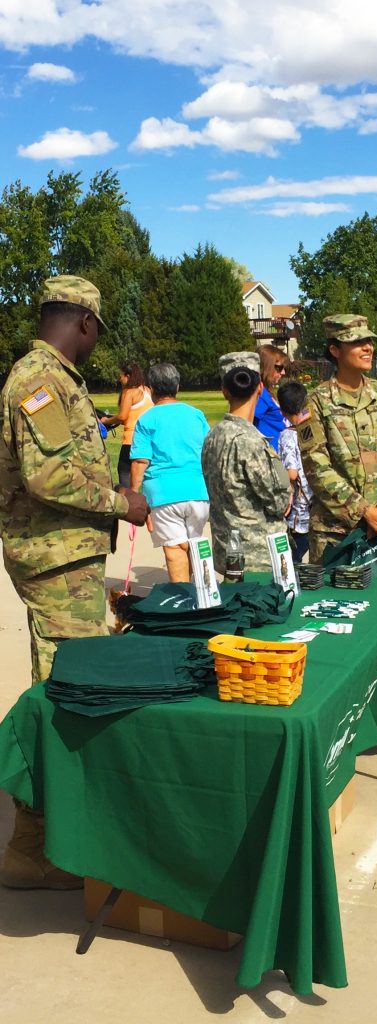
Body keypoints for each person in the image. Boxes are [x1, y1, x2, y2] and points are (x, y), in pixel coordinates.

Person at [0, 275, 148, 889]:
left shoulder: (56, 380)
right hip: (55, 561)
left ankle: (43, 839)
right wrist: (121, 501)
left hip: (67, 557)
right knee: (66, 696)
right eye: (96, 332)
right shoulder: (39, 381)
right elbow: (47, 478)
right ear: (84, 323)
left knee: (70, 688)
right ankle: (33, 847)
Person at [298, 314, 377, 563]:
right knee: (336, 602)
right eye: (357, 342)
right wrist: (365, 511)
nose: (368, 347)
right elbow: (316, 468)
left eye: (369, 341)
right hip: (336, 536)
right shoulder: (316, 402)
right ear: (335, 350)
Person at [201, 352, 291, 574]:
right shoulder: (250, 441)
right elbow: (278, 502)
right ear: (259, 387)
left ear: (224, 390)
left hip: (227, 553)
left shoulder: (213, 435)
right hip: (257, 559)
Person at [129, 363, 211, 583]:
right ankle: (201, 591)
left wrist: (134, 495)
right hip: (197, 491)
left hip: (163, 493)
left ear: (150, 389)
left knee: (175, 549)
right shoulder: (196, 415)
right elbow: (208, 452)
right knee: (193, 543)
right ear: (177, 386)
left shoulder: (147, 419)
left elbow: (140, 461)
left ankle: (183, 598)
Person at [100, 362, 153, 487]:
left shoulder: (129, 392)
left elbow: (122, 417)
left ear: (128, 376)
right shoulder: (147, 390)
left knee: (124, 472)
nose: (120, 379)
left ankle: (128, 502)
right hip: (149, 440)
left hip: (131, 440)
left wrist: (106, 421)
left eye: (121, 376)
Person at [277, 380, 313, 563]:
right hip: (318, 503)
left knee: (293, 558)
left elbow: (292, 473)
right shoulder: (315, 429)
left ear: (282, 411)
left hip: (301, 507)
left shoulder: (288, 435)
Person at [253, 344, 289, 451]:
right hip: (269, 455)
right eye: (279, 368)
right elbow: (246, 423)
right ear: (266, 366)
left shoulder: (266, 392)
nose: (283, 372)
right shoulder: (260, 394)